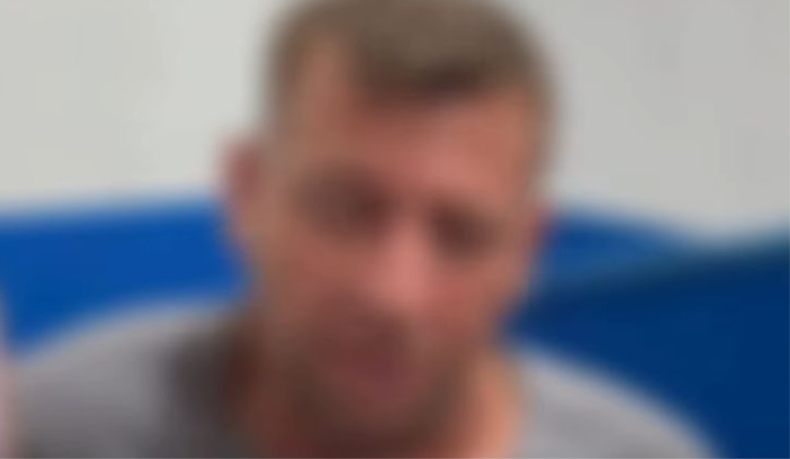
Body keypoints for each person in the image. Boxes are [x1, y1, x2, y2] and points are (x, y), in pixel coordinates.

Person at [18, 0, 710, 457]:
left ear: (527, 251)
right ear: (246, 192)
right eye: (345, 212)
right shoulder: (59, 431)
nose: (393, 293)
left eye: (460, 235)